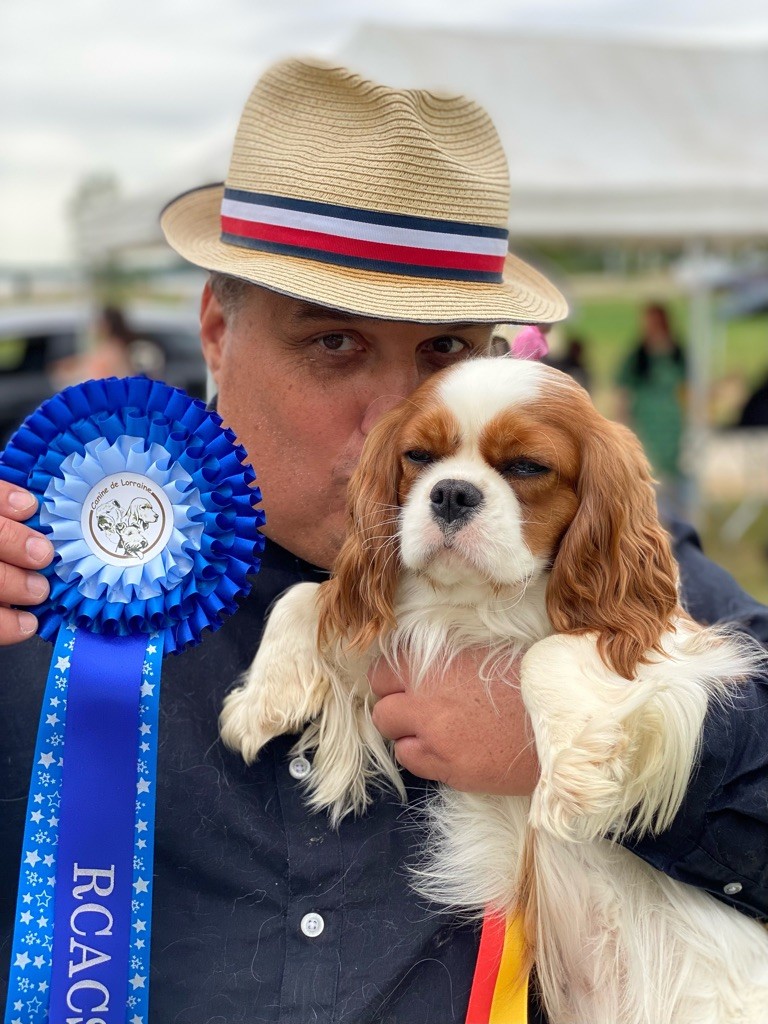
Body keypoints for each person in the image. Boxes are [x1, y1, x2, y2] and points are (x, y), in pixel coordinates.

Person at [1, 58, 767, 1024]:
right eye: (334, 344)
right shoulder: (44, 544)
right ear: (216, 331)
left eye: (445, 350)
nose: (399, 423)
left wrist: (598, 745)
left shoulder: (590, 543)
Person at [616, 302, 688, 518]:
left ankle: (676, 515)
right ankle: (654, 515)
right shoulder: (638, 356)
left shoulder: (678, 353)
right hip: (647, 418)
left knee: (672, 467)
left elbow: (689, 386)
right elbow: (623, 390)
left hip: (672, 419)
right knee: (650, 464)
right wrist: (623, 422)